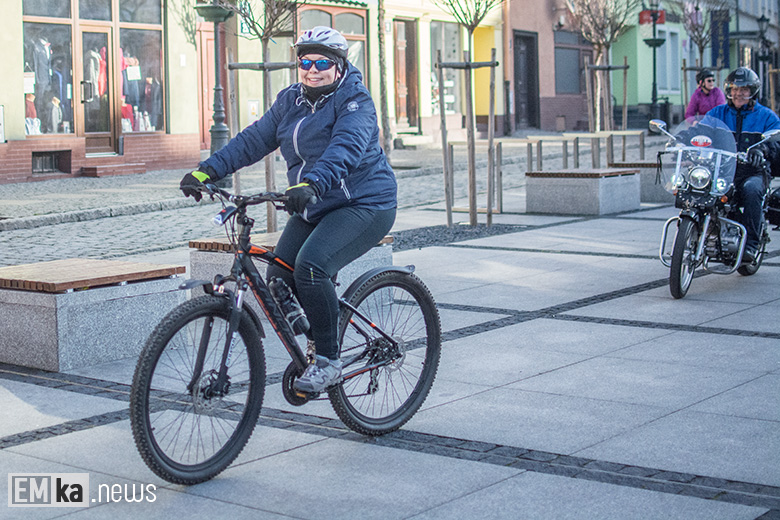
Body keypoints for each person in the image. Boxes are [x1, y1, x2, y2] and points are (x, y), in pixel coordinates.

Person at [180, 27, 397, 393]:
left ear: (340, 65)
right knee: (279, 275)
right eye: (305, 62)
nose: (312, 70)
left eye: (322, 62)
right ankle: (319, 329)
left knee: (311, 268)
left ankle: (328, 360)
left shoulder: (354, 101)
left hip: (365, 202)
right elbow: (254, 139)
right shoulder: (290, 100)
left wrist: (312, 183)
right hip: (314, 204)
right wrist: (207, 170)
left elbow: (345, 148)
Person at [699, 66, 780, 262]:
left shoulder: (766, 116)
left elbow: (776, 141)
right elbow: (700, 133)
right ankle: (699, 233)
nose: (738, 93)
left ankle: (751, 244)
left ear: (753, 91)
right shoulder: (717, 113)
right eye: (734, 89)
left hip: (753, 171)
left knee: (752, 191)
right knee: (697, 189)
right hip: (723, 169)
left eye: (744, 89)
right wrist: (683, 142)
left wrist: (763, 150)